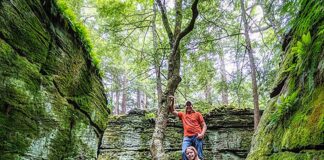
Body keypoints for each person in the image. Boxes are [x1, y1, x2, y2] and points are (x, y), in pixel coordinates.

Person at [169, 96, 207, 160]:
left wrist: (202, 134)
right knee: (184, 152)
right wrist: (173, 101)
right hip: (187, 137)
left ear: (192, 106)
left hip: (197, 135)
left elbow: (204, 125)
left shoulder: (197, 114)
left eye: (190, 105)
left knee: (199, 153)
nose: (188, 106)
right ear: (185, 107)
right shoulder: (183, 115)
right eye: (187, 105)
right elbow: (172, 111)